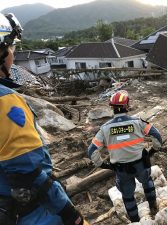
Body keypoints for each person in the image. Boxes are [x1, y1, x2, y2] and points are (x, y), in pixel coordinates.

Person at [0, 13, 88, 225]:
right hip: (30, 214)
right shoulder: (6, 102)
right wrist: (69, 213)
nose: (13, 55)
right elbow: (28, 172)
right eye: (11, 49)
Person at [87, 90, 162, 222]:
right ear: (127, 106)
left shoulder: (105, 129)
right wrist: (152, 151)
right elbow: (157, 136)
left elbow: (92, 151)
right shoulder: (138, 122)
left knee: (128, 196)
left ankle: (135, 221)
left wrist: (104, 165)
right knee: (147, 181)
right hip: (141, 164)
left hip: (121, 170)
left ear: (112, 107)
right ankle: (153, 206)